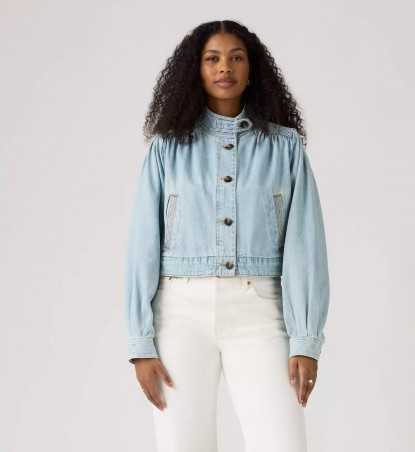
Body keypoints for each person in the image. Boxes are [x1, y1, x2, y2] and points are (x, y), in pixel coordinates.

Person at [124, 19, 330, 452]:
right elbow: (142, 246)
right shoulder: (166, 148)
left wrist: (306, 339)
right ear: (195, 70)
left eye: (236, 58)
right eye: (212, 59)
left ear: (252, 69)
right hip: (178, 315)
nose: (225, 68)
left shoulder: (285, 147)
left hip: (261, 311)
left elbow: (305, 246)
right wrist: (141, 342)